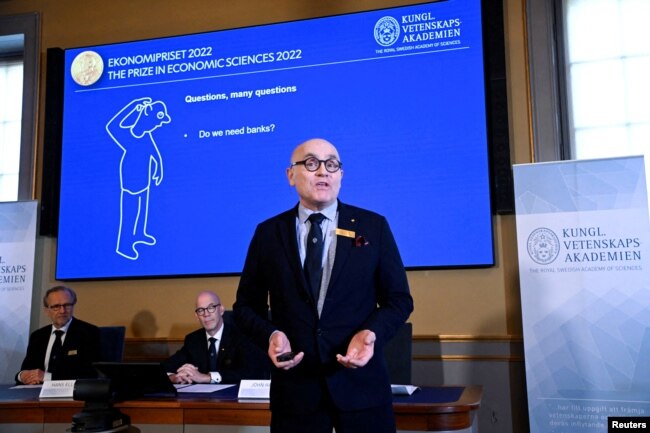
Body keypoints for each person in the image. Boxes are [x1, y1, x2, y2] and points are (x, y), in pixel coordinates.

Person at [233, 138, 414, 433]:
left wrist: (370, 333)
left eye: (332, 165)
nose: (323, 172)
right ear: (291, 175)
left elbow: (399, 300)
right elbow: (245, 307)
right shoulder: (268, 233)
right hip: (296, 394)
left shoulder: (372, 226)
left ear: (341, 175)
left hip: (362, 391)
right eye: (312, 163)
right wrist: (272, 334)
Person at [164, 290, 268, 384]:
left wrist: (207, 377)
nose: (206, 314)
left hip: (233, 401)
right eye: (201, 310)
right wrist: (174, 377)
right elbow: (165, 367)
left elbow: (251, 373)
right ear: (197, 317)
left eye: (211, 308)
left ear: (221, 310)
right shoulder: (193, 340)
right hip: (201, 401)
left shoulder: (240, 336)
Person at [15, 285, 101, 384]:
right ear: (47, 311)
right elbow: (27, 369)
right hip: (36, 393)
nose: (62, 311)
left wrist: (47, 377)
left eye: (67, 305)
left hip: (72, 394)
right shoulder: (38, 336)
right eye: (56, 306)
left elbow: (90, 373)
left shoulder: (89, 332)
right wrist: (21, 376)